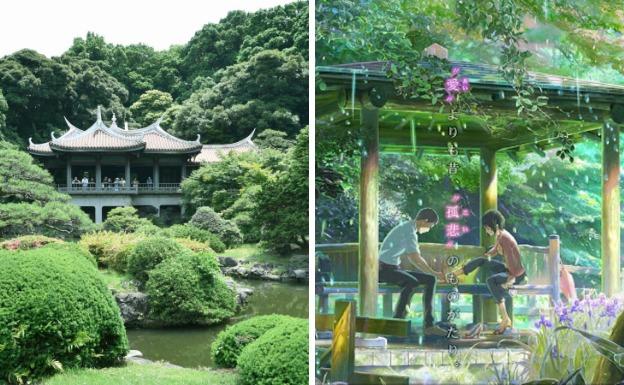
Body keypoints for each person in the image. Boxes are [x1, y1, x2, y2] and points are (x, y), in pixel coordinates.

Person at [452, 209, 526, 335]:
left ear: (494, 225)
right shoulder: (500, 235)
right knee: (481, 261)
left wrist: (511, 279)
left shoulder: (504, 238)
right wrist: (487, 254)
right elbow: (495, 250)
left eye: (487, 227)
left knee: (491, 281)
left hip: (516, 273)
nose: (486, 231)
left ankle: (505, 318)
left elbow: (512, 258)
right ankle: (454, 274)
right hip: (509, 269)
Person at [378, 207, 446, 336]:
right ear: (424, 220)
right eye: (430, 226)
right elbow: (414, 257)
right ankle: (398, 322)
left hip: (393, 268)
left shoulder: (409, 228)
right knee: (412, 282)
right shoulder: (408, 230)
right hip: (383, 270)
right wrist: (434, 272)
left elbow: (413, 257)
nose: (429, 229)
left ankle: (429, 325)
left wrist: (433, 274)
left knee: (430, 280)